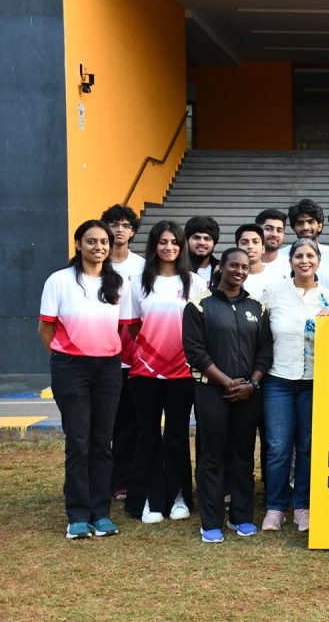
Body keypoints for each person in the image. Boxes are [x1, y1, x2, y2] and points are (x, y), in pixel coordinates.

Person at [38, 220, 127, 539]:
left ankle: (100, 513)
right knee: (78, 441)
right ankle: (77, 514)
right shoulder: (59, 281)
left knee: (102, 442)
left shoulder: (117, 283)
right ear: (78, 244)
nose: (98, 247)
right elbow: (45, 329)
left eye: (104, 241)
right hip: (70, 367)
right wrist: (65, 358)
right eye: (91, 241)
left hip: (108, 369)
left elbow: (123, 326)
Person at [182, 248, 273, 543]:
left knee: (243, 454)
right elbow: (195, 351)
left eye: (244, 267)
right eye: (234, 265)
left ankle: (241, 517)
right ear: (221, 267)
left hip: (248, 392)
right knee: (212, 454)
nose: (239, 271)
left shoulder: (257, 307)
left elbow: (265, 350)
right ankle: (211, 521)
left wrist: (252, 383)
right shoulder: (199, 306)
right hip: (211, 390)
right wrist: (226, 382)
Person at [122, 221, 205, 524]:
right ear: (153, 245)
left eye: (174, 242)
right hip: (145, 372)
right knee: (147, 434)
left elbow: (201, 327)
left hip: (183, 372)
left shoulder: (195, 283)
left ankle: (179, 495)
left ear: (182, 247)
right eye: (162, 242)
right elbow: (133, 326)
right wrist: (152, 353)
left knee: (177, 434)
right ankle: (148, 499)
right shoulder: (137, 282)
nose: (169, 247)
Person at [260, 239, 329, 532]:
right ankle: (275, 507)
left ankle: (302, 506)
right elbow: (260, 335)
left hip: (314, 382)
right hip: (278, 379)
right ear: (291, 261)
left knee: (307, 446)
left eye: (310, 255)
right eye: (298, 255)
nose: (304, 261)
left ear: (319, 261)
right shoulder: (273, 293)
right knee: (277, 446)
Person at [100, 204, 145, 503]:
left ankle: (122, 481)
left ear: (132, 231)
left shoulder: (142, 266)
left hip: (133, 355)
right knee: (100, 424)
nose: (119, 229)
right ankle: (94, 480)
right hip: (98, 352)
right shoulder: (93, 263)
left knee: (128, 424)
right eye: (114, 224)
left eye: (126, 225)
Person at [236, 224, 287, 299]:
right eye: (244, 243)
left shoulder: (277, 280)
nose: (250, 246)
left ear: (263, 248)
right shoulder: (230, 278)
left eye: (255, 242)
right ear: (237, 248)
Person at [185, 216, 220, 286]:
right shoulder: (177, 269)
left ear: (214, 243)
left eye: (207, 239)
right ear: (186, 241)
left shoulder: (222, 269)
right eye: (196, 237)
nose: (202, 243)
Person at [256, 208, 290, 279]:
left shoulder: (291, 266)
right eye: (268, 229)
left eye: (279, 231)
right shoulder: (243, 265)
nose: (274, 234)